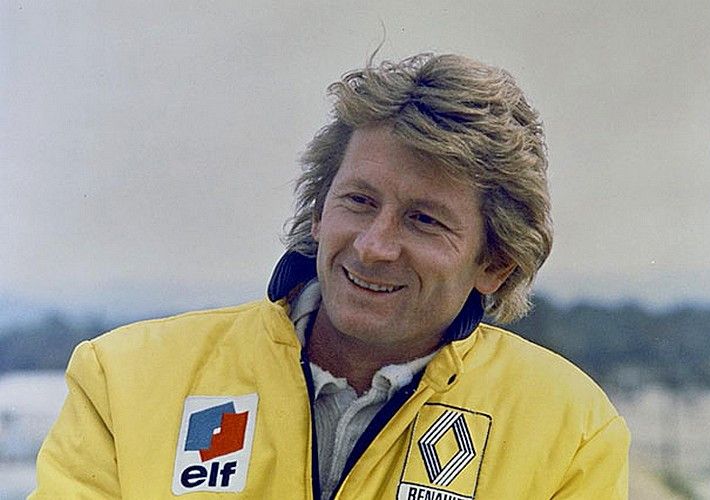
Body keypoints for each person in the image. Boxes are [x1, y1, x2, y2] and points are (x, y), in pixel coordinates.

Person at [32, 53, 629, 499]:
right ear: (318, 213)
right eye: (359, 201)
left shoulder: (568, 428)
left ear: (495, 263)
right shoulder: (126, 380)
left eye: (424, 220)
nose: (373, 247)